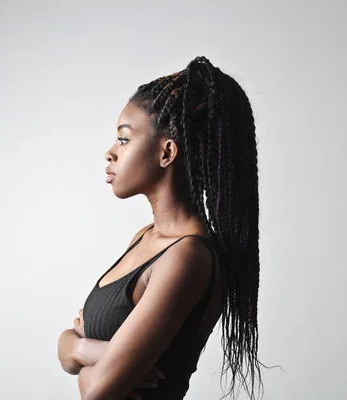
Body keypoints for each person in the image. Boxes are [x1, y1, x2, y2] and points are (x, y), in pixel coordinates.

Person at [57, 56, 263, 400]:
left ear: (167, 152)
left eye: (124, 139)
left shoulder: (188, 256)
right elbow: (68, 341)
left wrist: (80, 352)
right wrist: (79, 351)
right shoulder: (146, 238)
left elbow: (95, 390)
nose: (110, 153)